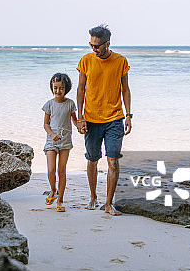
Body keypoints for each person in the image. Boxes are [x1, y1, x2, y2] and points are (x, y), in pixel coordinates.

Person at [76, 24, 132, 215]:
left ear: (107, 44)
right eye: (91, 45)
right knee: (92, 160)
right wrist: (80, 118)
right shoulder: (86, 60)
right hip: (91, 119)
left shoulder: (121, 61)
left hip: (115, 118)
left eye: (97, 46)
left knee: (113, 161)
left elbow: (125, 89)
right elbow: (80, 90)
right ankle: (93, 197)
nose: (93, 49)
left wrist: (129, 115)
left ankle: (108, 204)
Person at [42, 72, 78, 212]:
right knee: (51, 169)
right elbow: (46, 124)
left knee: (61, 170)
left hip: (65, 140)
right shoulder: (49, 104)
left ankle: (61, 200)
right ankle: (53, 190)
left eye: (61, 88)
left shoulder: (70, 104)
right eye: (55, 88)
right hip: (51, 140)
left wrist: (80, 126)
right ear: (52, 88)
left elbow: (74, 120)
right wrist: (52, 134)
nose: (58, 91)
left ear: (66, 88)